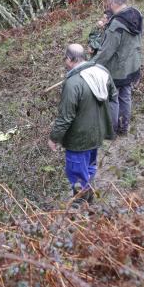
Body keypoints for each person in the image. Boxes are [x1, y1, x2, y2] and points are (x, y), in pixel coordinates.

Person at [49, 44, 117, 202]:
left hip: (78, 140)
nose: (65, 62)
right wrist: (110, 125)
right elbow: (114, 96)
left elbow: (65, 117)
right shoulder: (102, 71)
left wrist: (54, 138)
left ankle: (80, 206)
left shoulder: (73, 83)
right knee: (90, 166)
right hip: (98, 134)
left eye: (65, 59)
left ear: (70, 59)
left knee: (76, 173)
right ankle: (89, 197)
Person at [91, 0, 143, 136]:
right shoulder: (136, 14)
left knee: (113, 99)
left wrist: (91, 65)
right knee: (125, 95)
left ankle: (112, 130)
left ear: (113, 3)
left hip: (117, 69)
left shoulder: (116, 24)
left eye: (108, 2)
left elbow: (106, 52)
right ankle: (124, 127)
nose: (106, 5)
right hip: (132, 64)